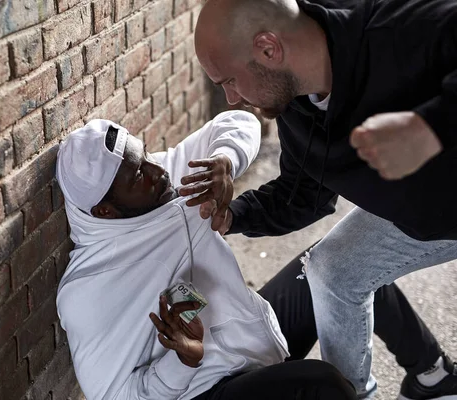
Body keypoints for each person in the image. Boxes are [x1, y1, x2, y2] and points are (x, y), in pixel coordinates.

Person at [55, 112, 450, 400]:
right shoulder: (89, 290)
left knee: (341, 269)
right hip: (206, 390)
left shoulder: (164, 180)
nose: (157, 172)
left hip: (253, 342)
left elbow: (240, 121)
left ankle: (432, 374)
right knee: (320, 387)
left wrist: (226, 160)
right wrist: (182, 363)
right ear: (104, 210)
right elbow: (114, 395)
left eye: (145, 157)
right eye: (138, 175)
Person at [191, 0, 457, 398]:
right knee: (334, 269)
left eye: (229, 80)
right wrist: (232, 215)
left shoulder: (392, 26)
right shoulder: (295, 105)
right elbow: (301, 196)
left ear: (268, 48)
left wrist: (430, 128)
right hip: (425, 217)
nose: (231, 98)